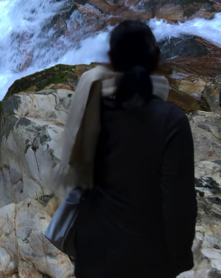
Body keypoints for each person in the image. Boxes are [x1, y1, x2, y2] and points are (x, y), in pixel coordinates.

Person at [54, 20, 197, 278]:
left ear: (111, 60)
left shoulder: (90, 97)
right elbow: (178, 203)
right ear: (155, 61)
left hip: (92, 253)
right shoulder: (170, 119)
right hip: (147, 260)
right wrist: (180, 258)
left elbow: (73, 170)